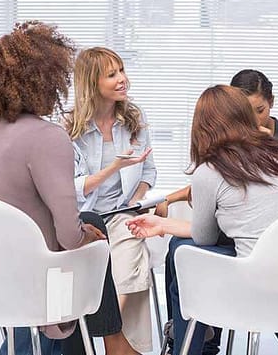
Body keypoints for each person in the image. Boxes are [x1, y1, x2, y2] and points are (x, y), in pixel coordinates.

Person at [0, 22, 139, 355]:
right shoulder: (46, 137)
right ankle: (115, 343)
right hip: (33, 281)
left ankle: (112, 344)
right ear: (45, 79)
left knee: (82, 236)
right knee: (90, 230)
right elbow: (70, 236)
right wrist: (87, 235)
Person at [125, 85, 278, 355]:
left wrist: (167, 229)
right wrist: (162, 225)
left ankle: (191, 347)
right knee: (181, 246)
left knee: (182, 251)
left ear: (203, 127)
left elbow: (203, 238)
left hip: (255, 285)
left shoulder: (211, 171)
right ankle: (195, 343)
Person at [64, 47, 156, 353]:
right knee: (121, 262)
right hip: (85, 218)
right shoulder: (70, 127)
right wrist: (114, 167)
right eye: (112, 74)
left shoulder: (134, 118)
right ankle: (115, 342)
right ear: (92, 83)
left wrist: (136, 202)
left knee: (131, 247)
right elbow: (74, 187)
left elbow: (149, 172)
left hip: (123, 213)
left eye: (122, 70)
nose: (122, 79)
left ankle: (102, 331)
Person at [230, 69, 278, 162]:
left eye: (260, 110)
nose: (254, 120)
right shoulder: (227, 137)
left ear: (271, 101)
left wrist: (270, 146)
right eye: (246, 112)